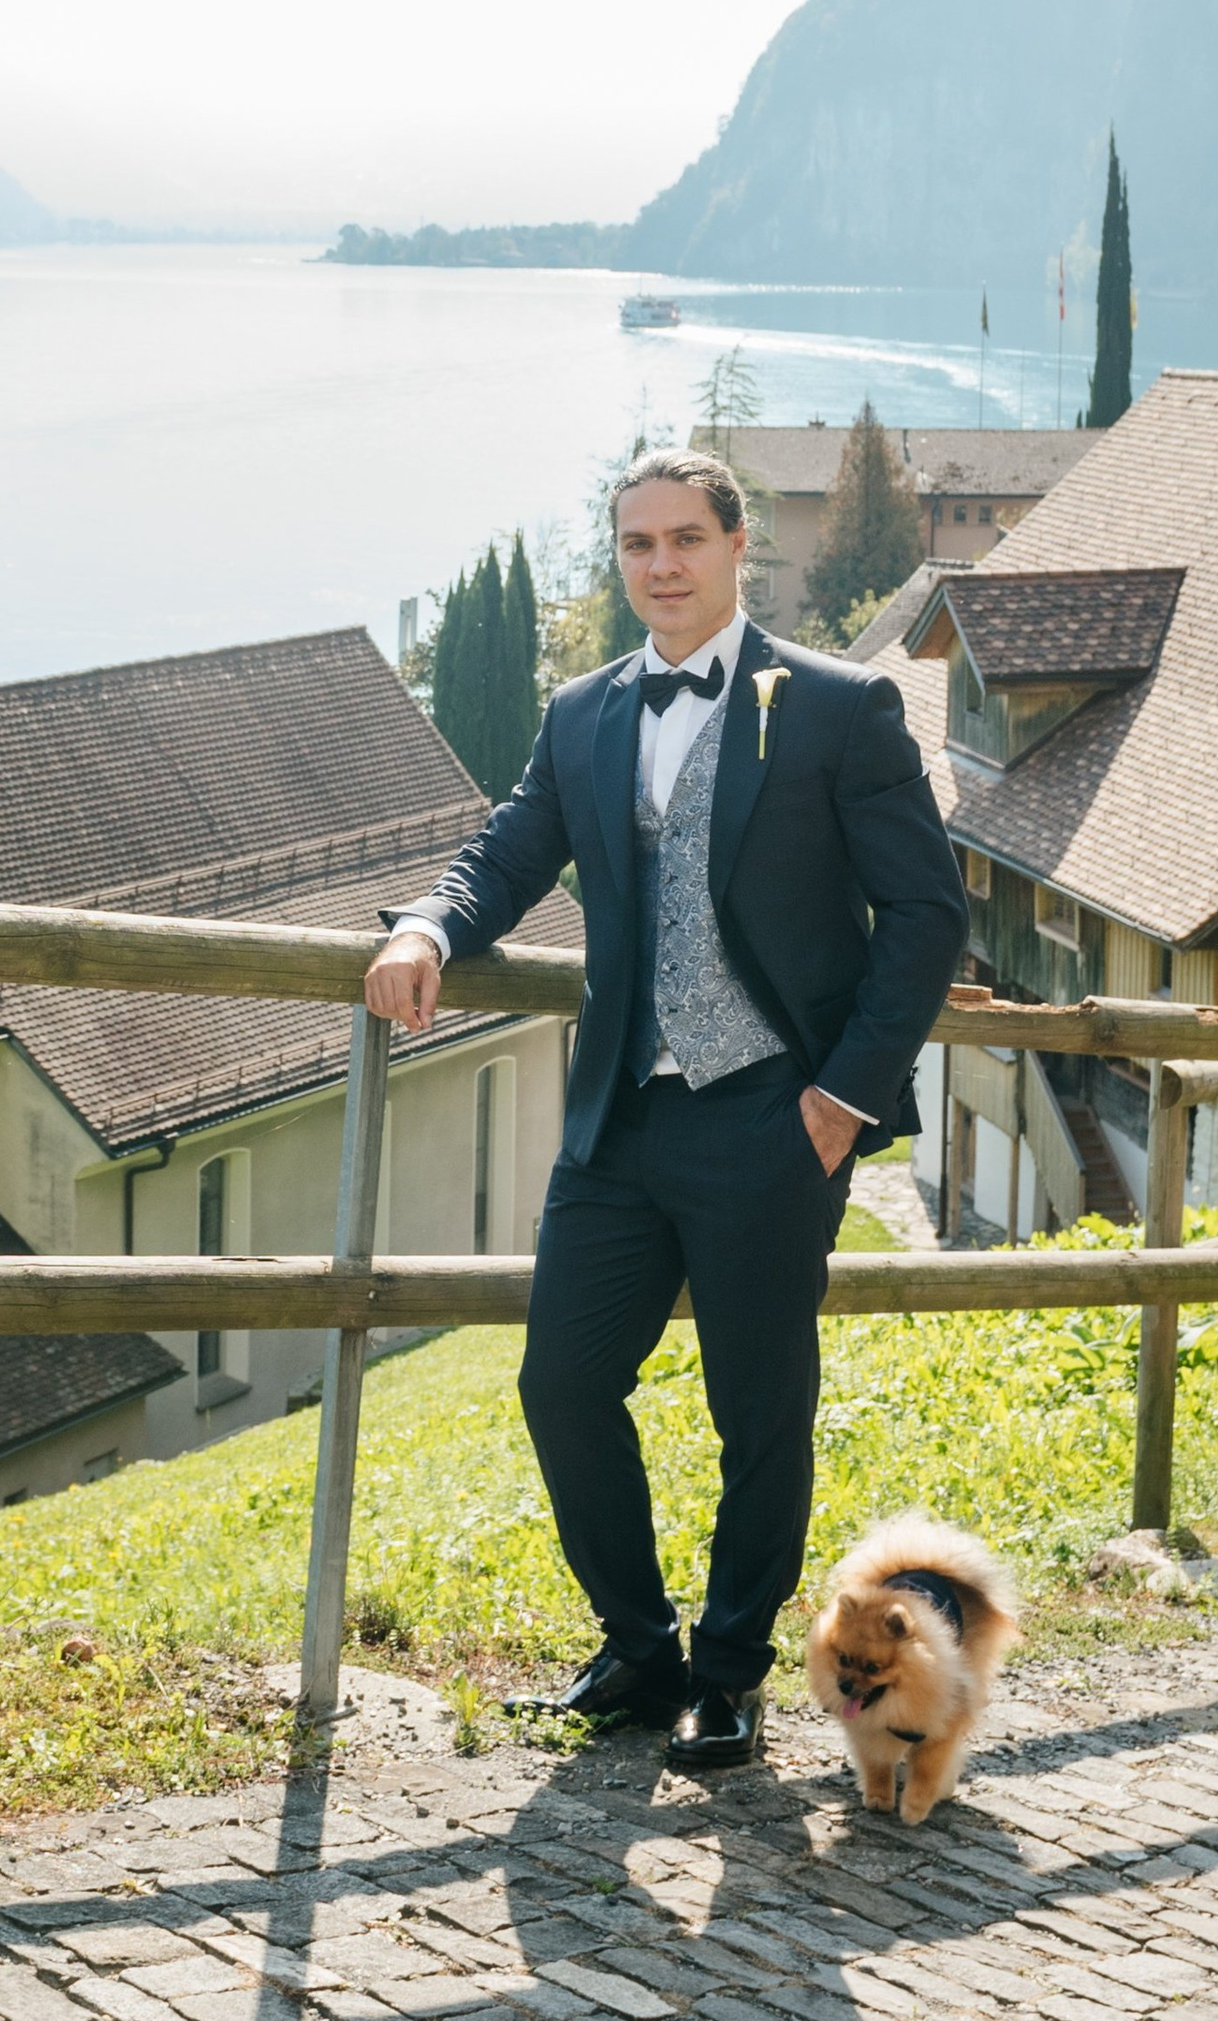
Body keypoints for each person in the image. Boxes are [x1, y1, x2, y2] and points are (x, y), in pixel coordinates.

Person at [367, 447, 971, 1769]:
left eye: (685, 537)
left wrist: (841, 1097)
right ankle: (638, 1652)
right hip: (623, 1123)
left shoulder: (837, 707)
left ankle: (728, 1673)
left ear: (735, 543)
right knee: (560, 1379)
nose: (662, 564)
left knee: (761, 1410)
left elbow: (927, 915)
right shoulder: (580, 712)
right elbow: (511, 850)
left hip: (776, 1116)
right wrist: (426, 924)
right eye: (637, 543)